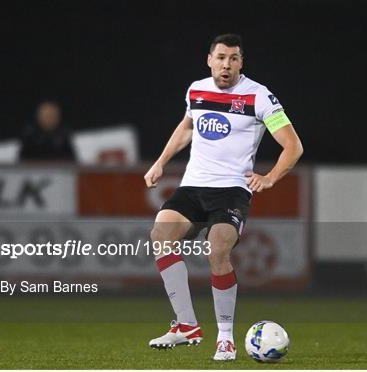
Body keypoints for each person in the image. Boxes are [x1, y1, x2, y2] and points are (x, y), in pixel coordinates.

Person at [144, 34, 303, 361]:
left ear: (241, 62)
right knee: (160, 233)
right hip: (193, 187)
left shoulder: (259, 96)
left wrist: (270, 177)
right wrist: (160, 162)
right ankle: (186, 325)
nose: (226, 65)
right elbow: (187, 128)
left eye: (233, 58)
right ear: (209, 59)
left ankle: (226, 339)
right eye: (220, 58)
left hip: (231, 190)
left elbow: (293, 146)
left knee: (218, 249)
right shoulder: (196, 90)